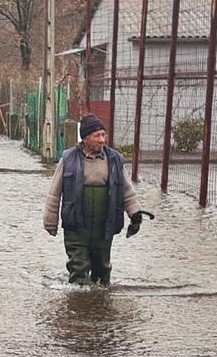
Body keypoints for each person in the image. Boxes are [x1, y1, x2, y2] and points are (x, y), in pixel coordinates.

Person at [43, 114, 153, 285]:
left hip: (104, 226)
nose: (102, 140)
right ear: (86, 138)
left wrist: (135, 213)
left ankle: (100, 304)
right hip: (76, 226)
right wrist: (50, 221)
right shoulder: (68, 159)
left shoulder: (114, 160)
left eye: (104, 135)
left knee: (102, 271)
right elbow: (54, 193)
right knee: (78, 268)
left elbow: (126, 190)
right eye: (97, 136)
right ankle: (78, 306)